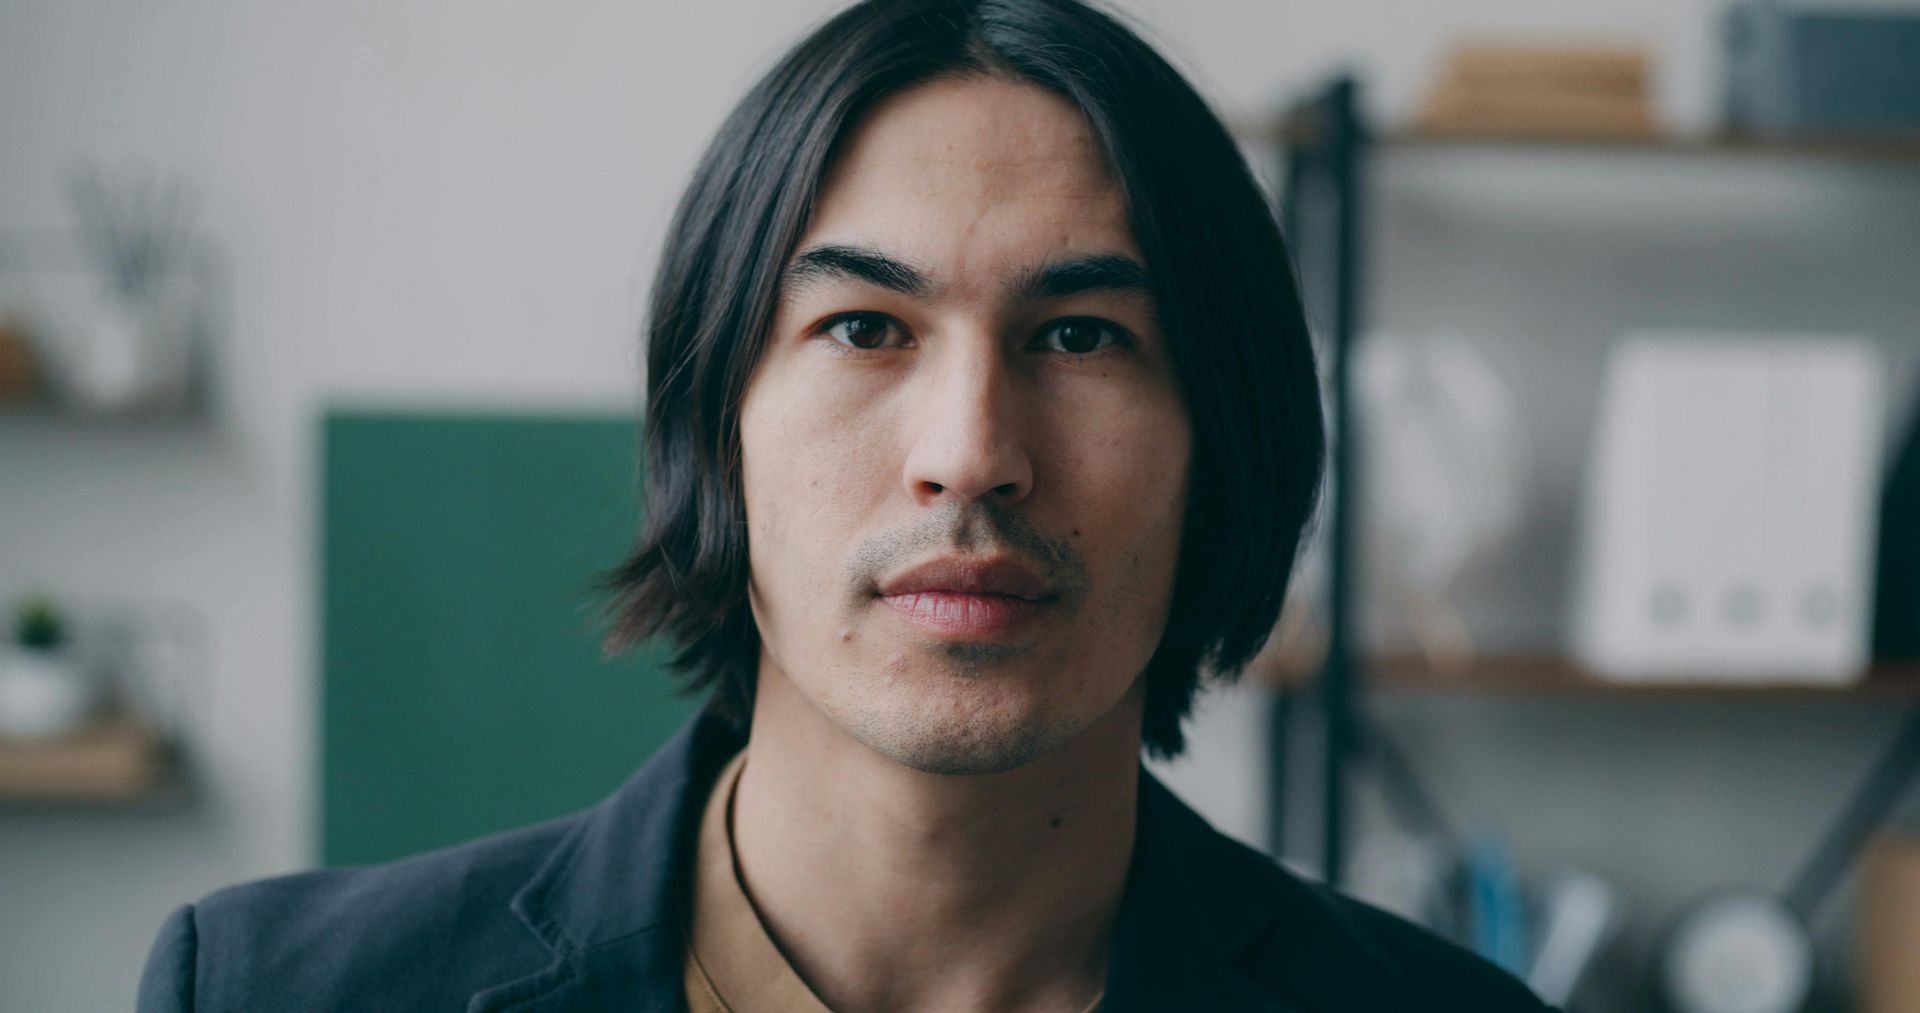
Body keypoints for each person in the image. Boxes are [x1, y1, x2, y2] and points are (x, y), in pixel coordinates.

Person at [138, 0, 1557, 1010]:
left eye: (1078, 338)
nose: (970, 452)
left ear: (1224, 443)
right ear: (716, 427)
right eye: (866, 326)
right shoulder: (271, 989)